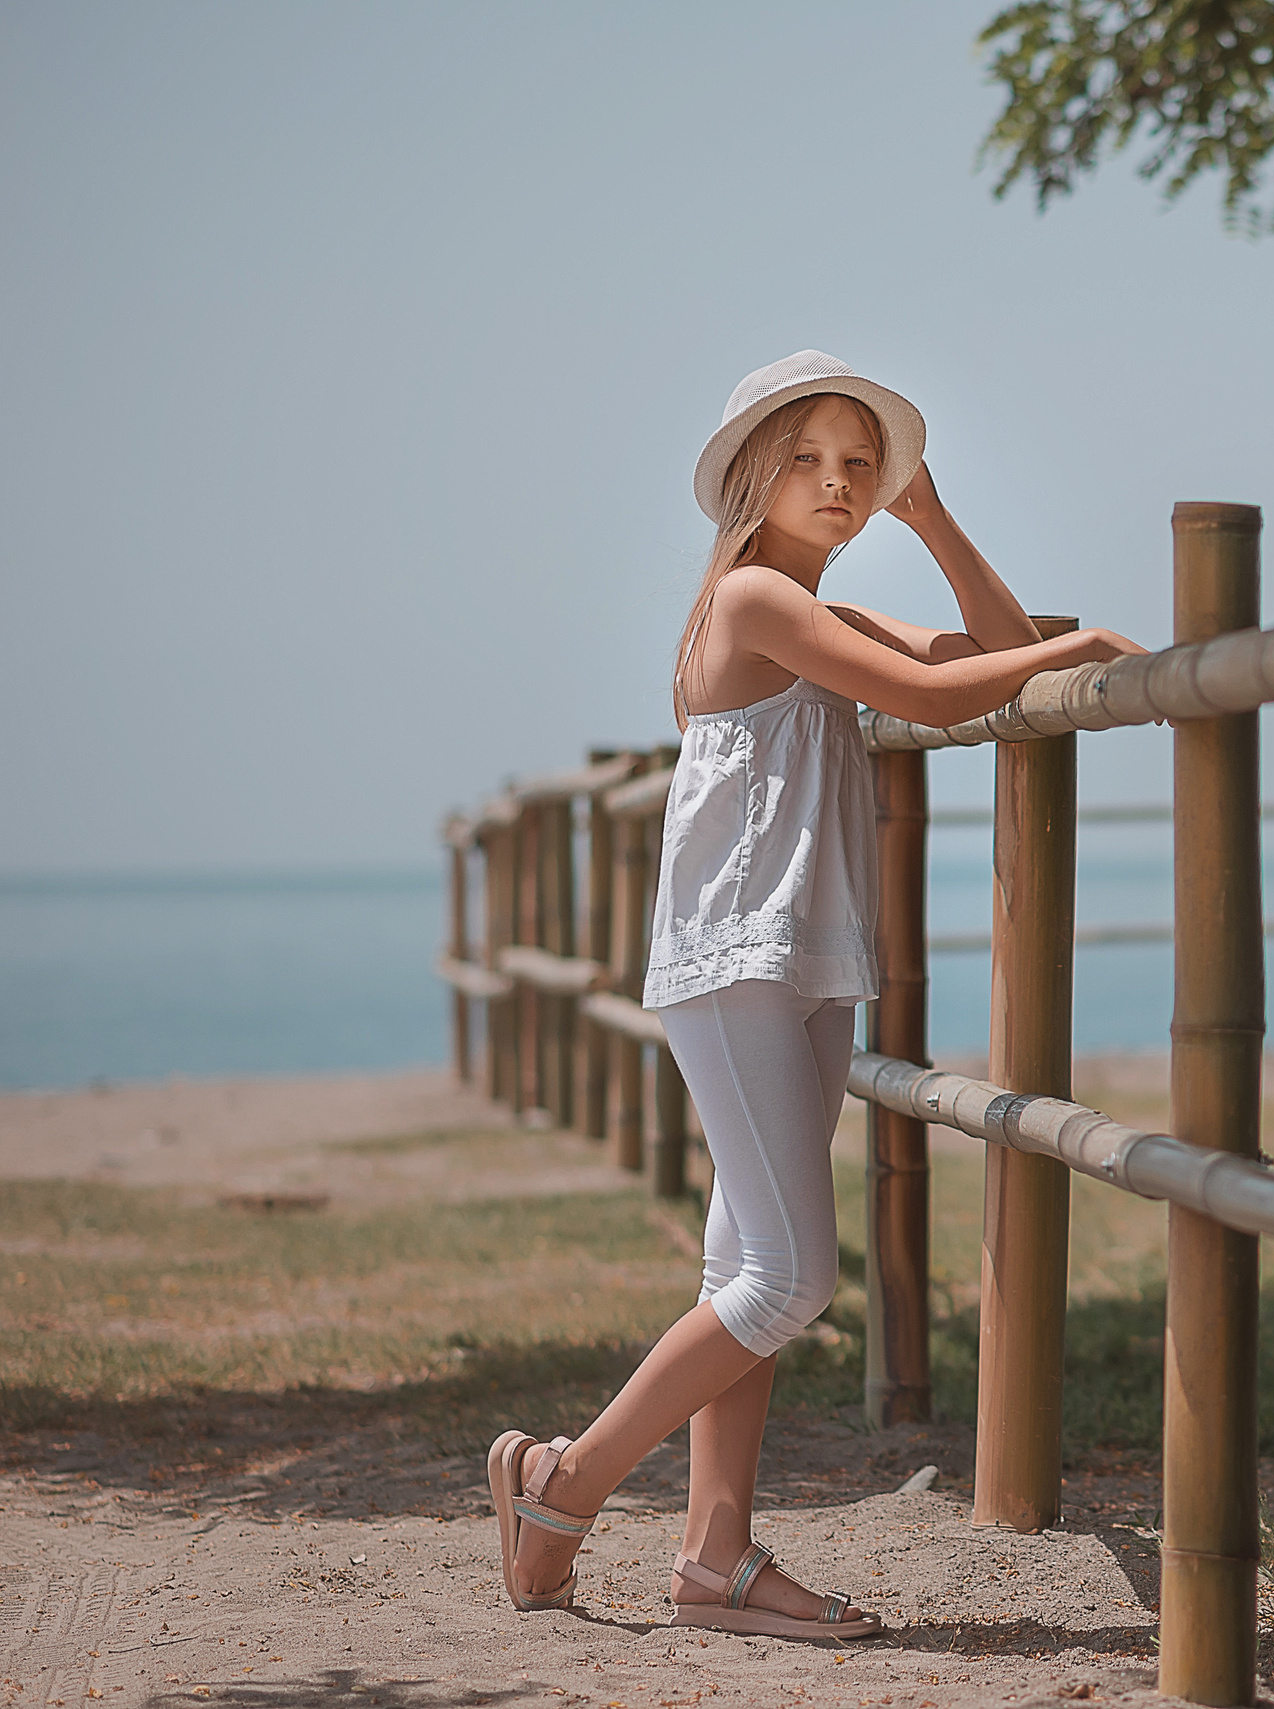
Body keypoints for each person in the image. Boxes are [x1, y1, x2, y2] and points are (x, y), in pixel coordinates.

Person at [485, 350, 1144, 1640]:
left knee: (746, 1268)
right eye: (808, 458)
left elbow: (995, 655)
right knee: (787, 1284)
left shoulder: (823, 612)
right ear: (750, 477)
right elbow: (928, 691)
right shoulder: (749, 601)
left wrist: (936, 518)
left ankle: (714, 1563)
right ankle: (564, 1488)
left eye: (863, 461)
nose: (839, 481)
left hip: (804, 961)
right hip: (737, 960)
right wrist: (1091, 647)